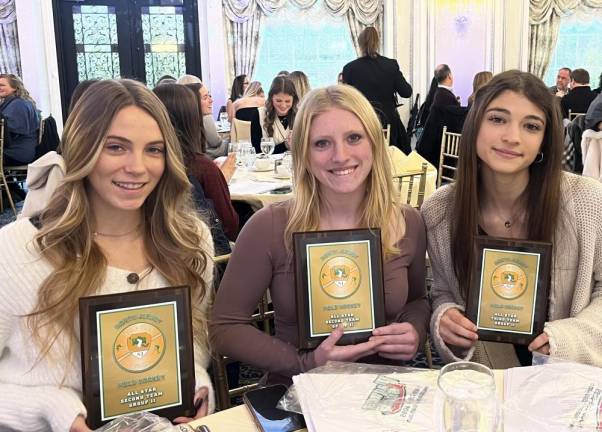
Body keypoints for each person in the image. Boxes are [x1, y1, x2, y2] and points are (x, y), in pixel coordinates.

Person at [0, 79, 215, 431]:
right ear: (82, 149)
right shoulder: (17, 252)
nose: (138, 167)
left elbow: (191, 348)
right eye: (116, 147)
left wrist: (198, 384)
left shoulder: (188, 242)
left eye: (154, 150)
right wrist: (56, 410)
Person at [210, 84, 430, 385]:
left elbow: (418, 301)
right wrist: (305, 362)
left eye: (354, 138)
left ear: (374, 144)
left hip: (383, 392)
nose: (340, 156)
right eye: (322, 143)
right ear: (303, 152)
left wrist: (415, 329)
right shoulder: (270, 226)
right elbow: (225, 327)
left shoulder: (407, 222)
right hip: (296, 394)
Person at [421, 70, 602, 369]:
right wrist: (444, 318)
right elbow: (442, 292)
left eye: (531, 126)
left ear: (545, 139)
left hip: (567, 385)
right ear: (475, 123)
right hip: (487, 383)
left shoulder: (588, 201)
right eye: (497, 119)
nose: (511, 137)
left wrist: (565, 339)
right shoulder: (440, 211)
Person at [153, 83, 239, 242]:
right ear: (192, 119)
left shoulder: (151, 164)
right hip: (204, 255)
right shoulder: (200, 167)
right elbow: (229, 226)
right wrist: (220, 179)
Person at [342, 27, 413, 154]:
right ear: (377, 43)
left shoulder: (349, 68)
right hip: (389, 124)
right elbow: (406, 92)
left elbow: (345, 102)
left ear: (359, 44)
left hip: (362, 123)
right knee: (393, 161)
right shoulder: (391, 65)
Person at [0, 73, 39, 166]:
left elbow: (7, 134)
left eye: (2, 85)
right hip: (22, 151)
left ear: (14, 87)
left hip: (16, 153)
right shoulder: (20, 101)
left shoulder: (18, 104)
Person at [256, 76, 299, 154]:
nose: (283, 105)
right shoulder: (259, 115)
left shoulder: (300, 116)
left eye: (288, 101)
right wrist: (285, 145)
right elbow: (257, 151)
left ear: (294, 100)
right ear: (271, 98)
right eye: (278, 101)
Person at [186, 82, 228, 159]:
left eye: (209, 96)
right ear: (193, 102)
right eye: (205, 98)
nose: (211, 100)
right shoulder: (203, 119)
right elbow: (215, 142)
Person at [233, 81, 266, 149]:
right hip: (260, 143)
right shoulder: (265, 102)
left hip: (241, 143)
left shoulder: (236, 103)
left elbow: (232, 124)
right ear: (262, 93)